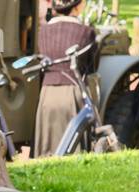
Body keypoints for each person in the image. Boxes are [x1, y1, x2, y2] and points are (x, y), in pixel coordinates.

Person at [34, 0, 98, 156]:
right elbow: (93, 67)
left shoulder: (43, 31)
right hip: (73, 91)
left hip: (47, 93)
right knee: (72, 148)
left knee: (47, 149)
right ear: (77, 7)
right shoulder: (86, 32)